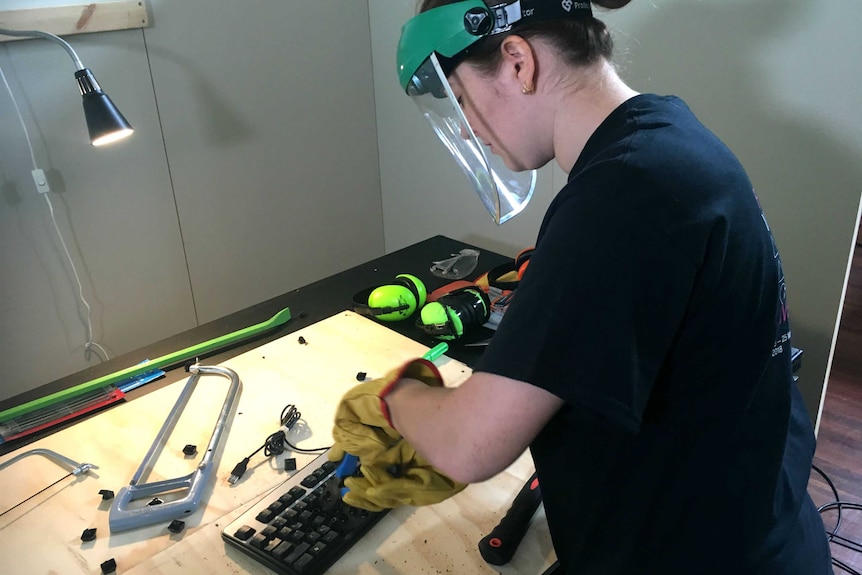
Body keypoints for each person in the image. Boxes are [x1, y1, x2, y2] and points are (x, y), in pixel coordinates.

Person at [330, 1, 835, 573]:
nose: (470, 128)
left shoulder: (624, 195)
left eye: (463, 99)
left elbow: (472, 445)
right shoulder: (672, 144)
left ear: (518, 62)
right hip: (758, 528)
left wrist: (395, 398)